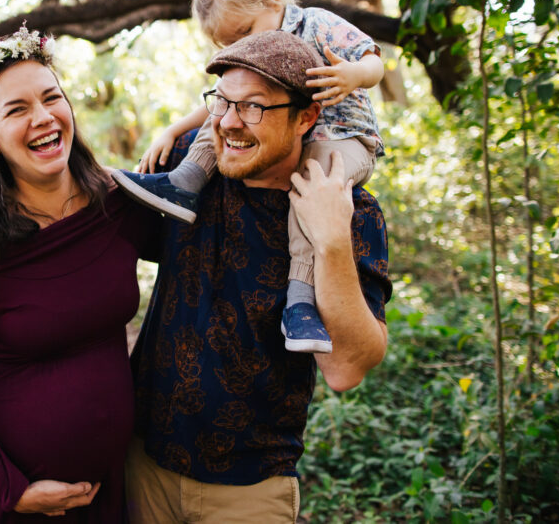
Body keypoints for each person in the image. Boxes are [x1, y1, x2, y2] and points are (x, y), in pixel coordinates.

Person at [126, 30, 391, 523]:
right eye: (222, 103)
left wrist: (330, 240)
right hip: (143, 463)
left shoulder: (352, 209)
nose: (229, 123)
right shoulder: (189, 165)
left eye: (252, 108)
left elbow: (347, 369)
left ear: (306, 117)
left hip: (251, 489)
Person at [0, 26, 160, 522]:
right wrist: (12, 489)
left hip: (102, 487)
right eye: (17, 109)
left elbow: (205, 242)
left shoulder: (120, 203)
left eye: (52, 98)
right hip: (0, 495)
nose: (43, 118)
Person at [112, 0, 385, 354]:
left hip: (343, 137)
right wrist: (173, 129)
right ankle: (184, 183)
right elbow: (223, 102)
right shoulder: (249, 72)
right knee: (225, 110)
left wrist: (353, 75)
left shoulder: (317, 24)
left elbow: (374, 60)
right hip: (291, 136)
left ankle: (300, 297)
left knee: (313, 190)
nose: (245, 46)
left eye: (245, 32)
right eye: (232, 43)